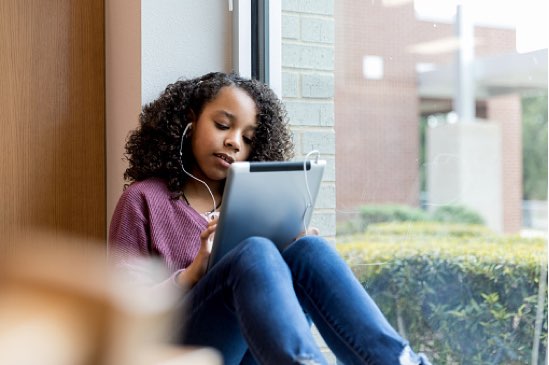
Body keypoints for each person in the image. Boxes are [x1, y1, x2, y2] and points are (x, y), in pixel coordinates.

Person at [109, 71, 432, 365]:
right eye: (222, 125)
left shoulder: (256, 204)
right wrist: (193, 273)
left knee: (309, 251)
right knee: (254, 250)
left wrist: (288, 249)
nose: (234, 142)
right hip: (182, 348)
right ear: (189, 122)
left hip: (254, 352)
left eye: (247, 138)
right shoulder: (143, 200)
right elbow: (121, 313)